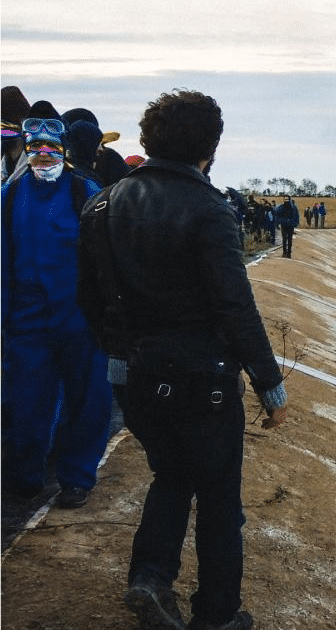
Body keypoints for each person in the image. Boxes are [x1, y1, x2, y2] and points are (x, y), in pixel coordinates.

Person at [77, 89, 287, 630]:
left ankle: (149, 578)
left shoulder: (100, 205)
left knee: (170, 476)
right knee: (219, 500)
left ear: (149, 139)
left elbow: (88, 298)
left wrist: (123, 352)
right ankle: (216, 615)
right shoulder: (210, 210)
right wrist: (270, 383)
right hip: (204, 384)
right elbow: (235, 305)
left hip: (134, 375)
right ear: (211, 146)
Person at [1, 102, 112, 511]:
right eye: (35, 148)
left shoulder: (87, 193)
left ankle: (77, 478)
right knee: (27, 403)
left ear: (64, 151)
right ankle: (26, 476)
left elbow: (106, 260)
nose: (43, 155)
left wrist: (109, 318)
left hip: (80, 320)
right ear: (26, 150)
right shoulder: (9, 198)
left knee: (88, 403)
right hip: (27, 324)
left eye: (51, 147)